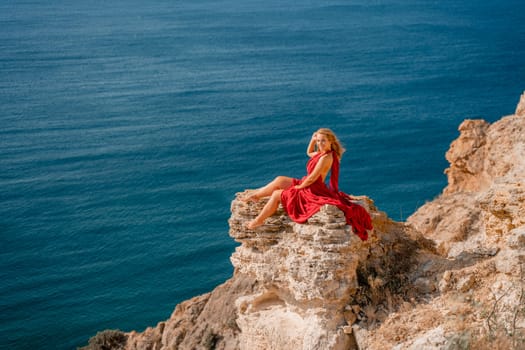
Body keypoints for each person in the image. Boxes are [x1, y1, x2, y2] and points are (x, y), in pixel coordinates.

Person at [242, 128, 373, 241]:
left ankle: (257, 221)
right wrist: (312, 139)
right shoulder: (321, 153)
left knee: (277, 195)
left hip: (312, 188)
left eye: (323, 141)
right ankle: (256, 196)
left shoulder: (326, 157)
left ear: (330, 141)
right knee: (280, 180)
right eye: (318, 141)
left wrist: (299, 187)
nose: (320, 143)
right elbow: (309, 153)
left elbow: (312, 178)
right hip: (308, 183)